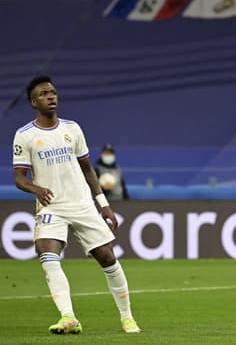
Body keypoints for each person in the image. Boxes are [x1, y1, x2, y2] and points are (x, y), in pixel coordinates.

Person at [12, 76, 141, 334]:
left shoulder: (72, 129)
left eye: (53, 92)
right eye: (44, 93)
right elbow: (19, 178)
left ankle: (127, 318)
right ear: (33, 101)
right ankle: (68, 316)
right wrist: (36, 189)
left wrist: (103, 204)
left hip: (82, 204)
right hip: (52, 207)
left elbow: (87, 169)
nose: (51, 96)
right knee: (46, 252)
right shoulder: (25, 135)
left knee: (107, 257)